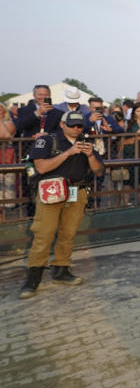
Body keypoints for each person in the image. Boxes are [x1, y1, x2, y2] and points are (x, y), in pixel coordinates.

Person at [19, 111, 104, 299]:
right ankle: (33, 278)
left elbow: (98, 171)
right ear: (62, 124)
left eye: (79, 126)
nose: (75, 129)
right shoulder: (48, 140)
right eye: (72, 125)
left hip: (77, 192)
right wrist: (68, 153)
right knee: (44, 234)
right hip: (52, 191)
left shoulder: (86, 142)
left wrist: (90, 156)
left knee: (68, 233)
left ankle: (61, 270)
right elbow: (41, 167)